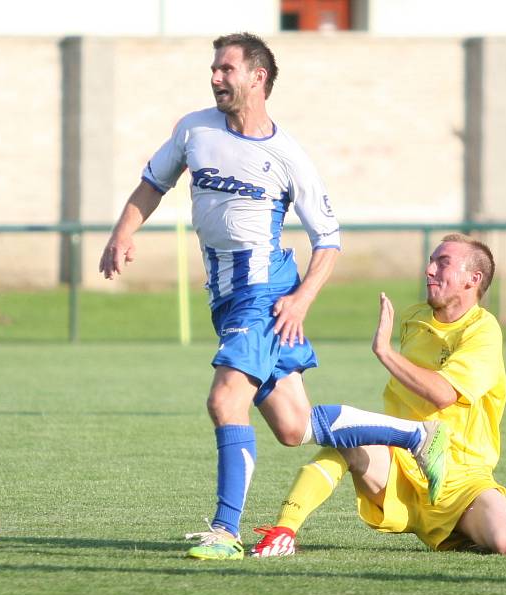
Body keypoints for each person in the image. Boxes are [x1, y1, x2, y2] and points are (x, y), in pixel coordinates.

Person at [99, 32, 449, 561]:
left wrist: (303, 299)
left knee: (224, 400)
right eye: (214, 69)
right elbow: (153, 183)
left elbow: (328, 240)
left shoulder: (288, 157)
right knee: (293, 426)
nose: (215, 77)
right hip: (226, 294)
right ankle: (418, 436)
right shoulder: (194, 129)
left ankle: (225, 531)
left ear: (258, 77)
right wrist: (123, 233)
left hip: (263, 292)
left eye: (226, 69)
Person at [252, 234, 506, 557]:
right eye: (431, 261)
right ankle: (282, 532)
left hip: (462, 479)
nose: (429, 269)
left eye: (443, 262)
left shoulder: (482, 331)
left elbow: (443, 394)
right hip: (400, 465)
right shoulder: (413, 319)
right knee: (348, 443)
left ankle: (461, 528)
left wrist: (385, 352)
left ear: (474, 279)